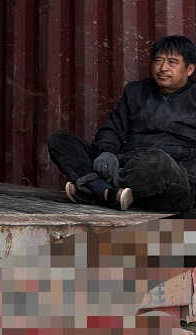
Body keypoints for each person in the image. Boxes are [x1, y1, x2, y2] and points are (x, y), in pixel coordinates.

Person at [48, 35, 196, 212]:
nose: (163, 68)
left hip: (174, 183)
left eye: (172, 62)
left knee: (157, 159)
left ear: (189, 69)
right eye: (158, 60)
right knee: (60, 140)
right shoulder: (136, 91)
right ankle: (113, 194)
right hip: (126, 162)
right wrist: (107, 152)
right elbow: (112, 130)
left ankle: (97, 188)